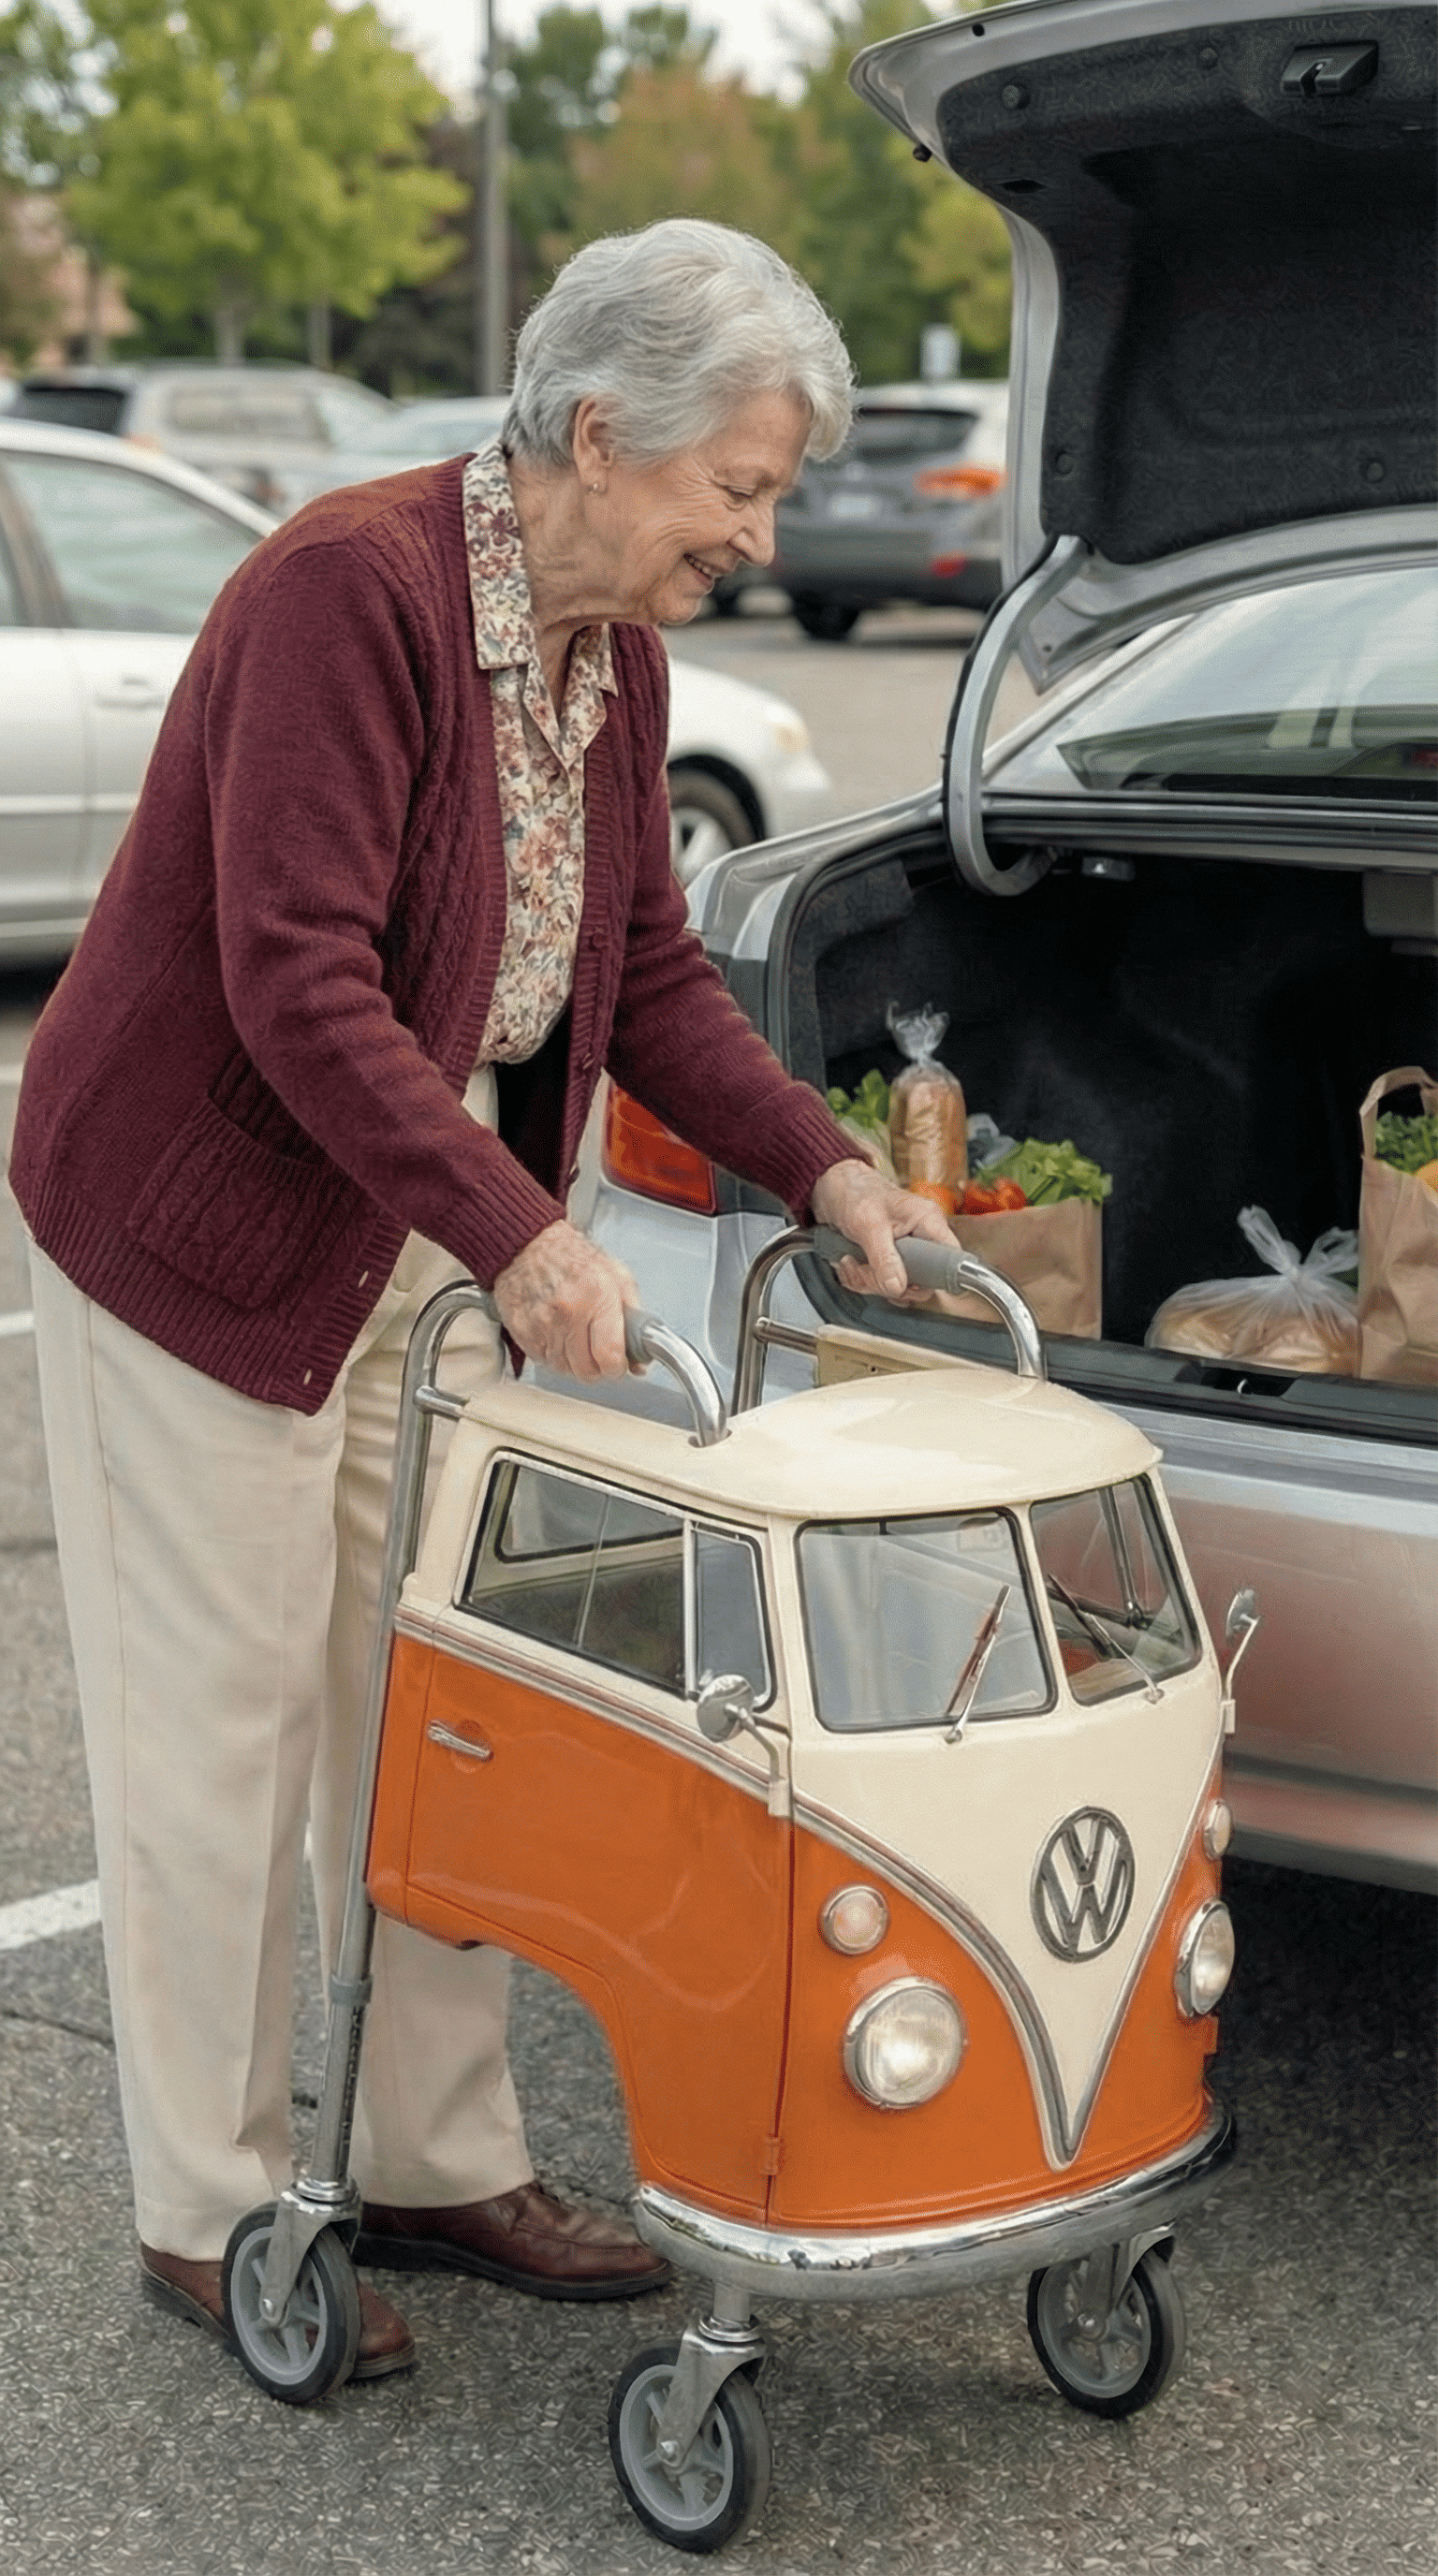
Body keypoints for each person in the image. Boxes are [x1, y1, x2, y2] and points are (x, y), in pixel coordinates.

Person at [10, 219, 949, 2379]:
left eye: (775, 494)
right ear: (599, 435)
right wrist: (526, 1234)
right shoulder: (351, 592)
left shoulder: (619, 651)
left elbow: (634, 976)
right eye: (740, 483)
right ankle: (216, 2201)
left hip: (408, 1218)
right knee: (225, 1724)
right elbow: (297, 980)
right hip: (204, 1225)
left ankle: (433, 2153)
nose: (762, 531)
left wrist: (817, 1159)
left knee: (441, 1702)